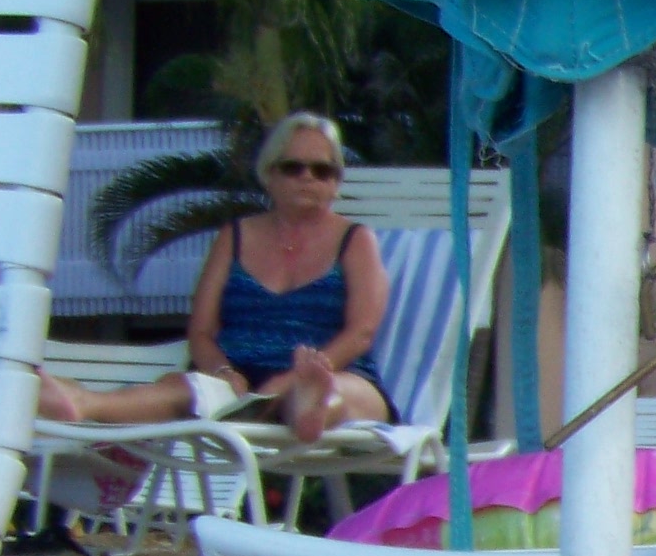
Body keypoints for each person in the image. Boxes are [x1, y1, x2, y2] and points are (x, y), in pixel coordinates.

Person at [37, 110, 392, 443]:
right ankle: (79, 402)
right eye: (293, 167)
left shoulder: (355, 240)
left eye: (322, 170)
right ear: (269, 174)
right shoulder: (235, 237)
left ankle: (311, 406)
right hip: (238, 387)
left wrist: (296, 378)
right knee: (181, 391)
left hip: (330, 371)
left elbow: (361, 333)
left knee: (335, 392)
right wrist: (222, 372)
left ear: (335, 182)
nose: (308, 178)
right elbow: (202, 330)